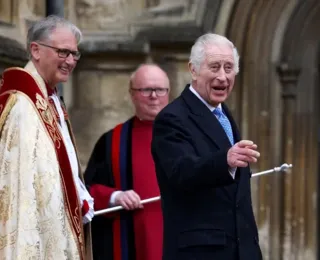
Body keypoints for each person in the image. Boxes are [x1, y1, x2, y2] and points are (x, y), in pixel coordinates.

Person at [151, 33, 262, 260]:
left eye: (229, 68)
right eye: (214, 67)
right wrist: (225, 161)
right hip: (200, 251)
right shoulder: (172, 118)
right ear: (193, 69)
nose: (223, 77)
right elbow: (181, 171)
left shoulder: (223, 113)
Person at [0, 15, 93, 259]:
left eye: (75, 54)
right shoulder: (23, 107)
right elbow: (21, 190)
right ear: (36, 50)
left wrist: (79, 195)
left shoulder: (48, 100)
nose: (71, 61)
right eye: (63, 52)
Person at [84, 64, 170, 260]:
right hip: (128, 245)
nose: (154, 95)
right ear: (132, 94)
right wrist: (115, 196)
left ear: (168, 93)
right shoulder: (112, 141)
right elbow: (86, 192)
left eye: (160, 89)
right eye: (146, 89)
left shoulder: (189, 138)